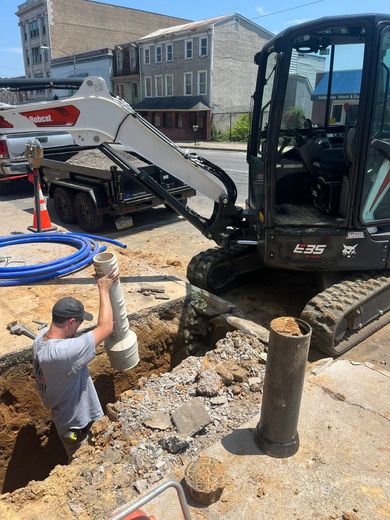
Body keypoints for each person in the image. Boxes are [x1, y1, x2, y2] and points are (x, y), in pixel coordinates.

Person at [32, 268, 118, 462]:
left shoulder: (40, 339)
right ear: (71, 322)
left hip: (63, 420)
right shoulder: (65, 353)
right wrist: (103, 288)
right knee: (84, 464)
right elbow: (106, 327)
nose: (79, 327)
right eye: (78, 323)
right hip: (79, 424)